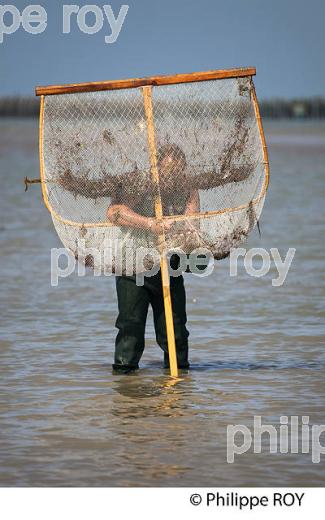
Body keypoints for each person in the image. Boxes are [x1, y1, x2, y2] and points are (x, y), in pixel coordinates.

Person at [106, 144, 200, 373]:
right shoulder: (138, 183)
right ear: (156, 168)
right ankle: (125, 383)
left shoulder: (188, 188)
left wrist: (182, 228)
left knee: (175, 331)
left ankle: (178, 385)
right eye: (167, 172)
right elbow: (113, 212)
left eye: (177, 172)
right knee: (131, 327)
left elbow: (192, 221)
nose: (172, 178)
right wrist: (151, 224)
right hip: (133, 266)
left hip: (170, 266)